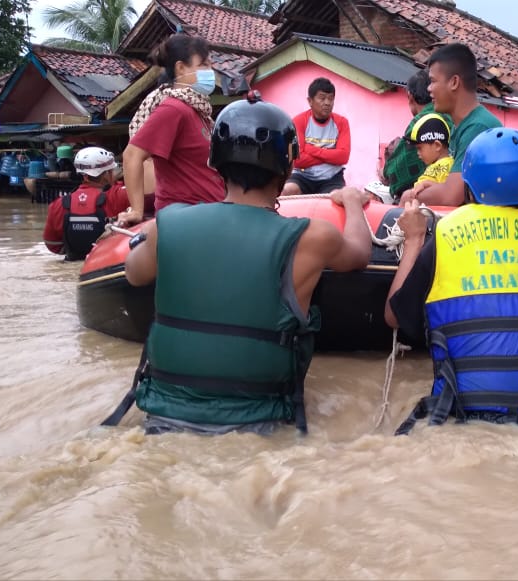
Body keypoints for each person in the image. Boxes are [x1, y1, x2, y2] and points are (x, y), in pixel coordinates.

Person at [118, 94, 373, 436]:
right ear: (288, 166)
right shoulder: (312, 236)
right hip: (260, 425)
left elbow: (133, 274)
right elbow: (359, 253)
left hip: (163, 420)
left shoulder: (166, 225)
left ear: (215, 163)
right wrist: (353, 203)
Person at [385, 128, 518, 442]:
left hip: (464, 417)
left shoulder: (446, 231)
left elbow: (395, 318)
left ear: (470, 186)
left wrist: (414, 240)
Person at [116, 34, 224, 226]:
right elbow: (132, 155)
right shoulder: (174, 109)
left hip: (207, 214)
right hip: (186, 219)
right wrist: (136, 210)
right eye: (204, 65)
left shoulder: (199, 112)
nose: (210, 71)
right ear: (181, 67)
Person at [401, 43, 502, 208]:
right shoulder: (460, 125)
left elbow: (451, 196)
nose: (429, 89)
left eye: (433, 81)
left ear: (454, 82)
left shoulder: (477, 127)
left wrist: (411, 196)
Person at [42, 147, 130, 260]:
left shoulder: (58, 204)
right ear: (106, 174)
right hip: (108, 262)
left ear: (83, 174)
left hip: (74, 263)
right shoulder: (119, 195)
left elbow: (52, 244)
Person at [381, 69, 451, 201]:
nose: (418, 152)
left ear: (410, 97)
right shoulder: (449, 114)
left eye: (419, 148)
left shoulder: (421, 122)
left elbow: (397, 170)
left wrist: (385, 172)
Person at [280, 77, 351, 196]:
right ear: (310, 101)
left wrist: (310, 149)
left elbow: (343, 157)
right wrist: (331, 154)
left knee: (338, 198)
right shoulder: (298, 121)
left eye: (331, 98)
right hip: (302, 176)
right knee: (286, 191)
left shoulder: (341, 122)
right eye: (322, 98)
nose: (327, 103)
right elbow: (297, 160)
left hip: (332, 178)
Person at [408, 113, 453, 187]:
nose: (418, 153)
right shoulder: (450, 165)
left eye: (420, 148)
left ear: (437, 146)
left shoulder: (447, 167)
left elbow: (447, 191)